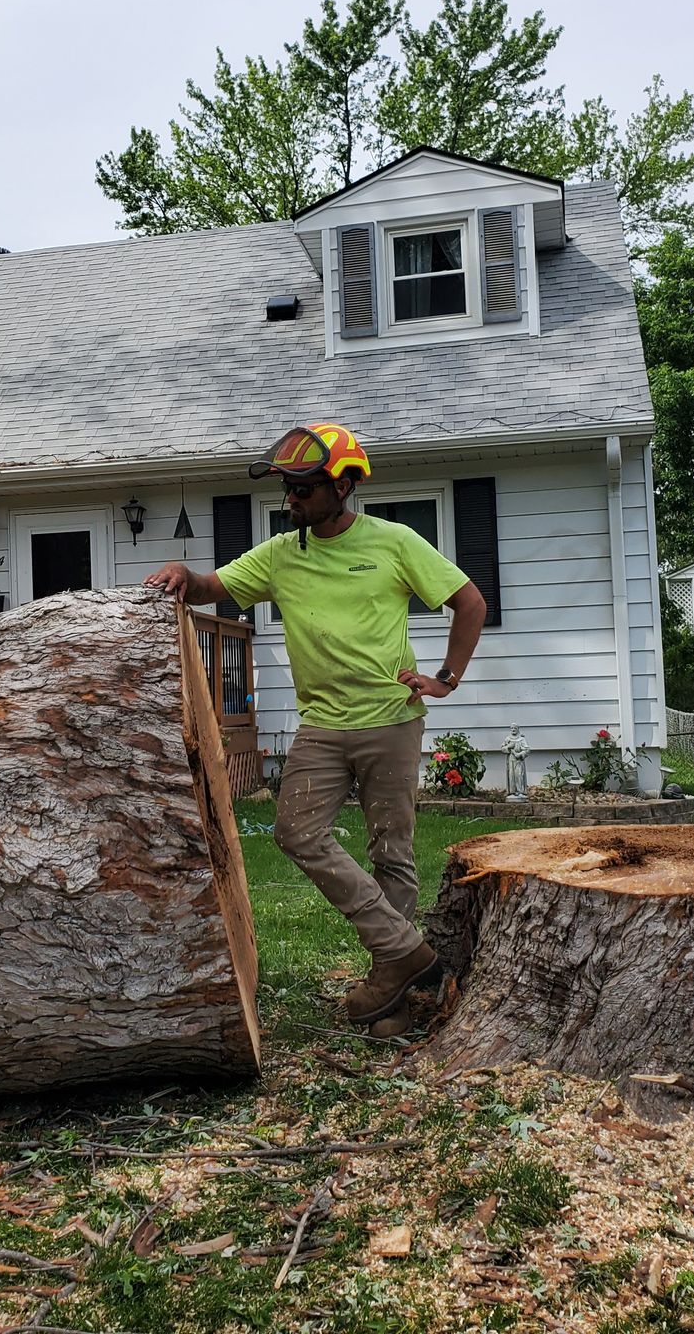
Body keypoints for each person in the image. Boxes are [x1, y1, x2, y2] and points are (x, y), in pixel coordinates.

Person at [145, 423, 488, 1033]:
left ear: (345, 484)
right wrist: (182, 574)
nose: (292, 501)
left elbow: (470, 602)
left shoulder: (395, 541)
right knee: (296, 831)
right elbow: (212, 587)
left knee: (393, 853)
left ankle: (396, 993)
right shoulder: (281, 555)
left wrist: (446, 678)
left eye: (304, 489)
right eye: (289, 490)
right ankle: (404, 953)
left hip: (391, 720)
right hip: (322, 726)